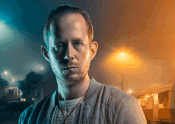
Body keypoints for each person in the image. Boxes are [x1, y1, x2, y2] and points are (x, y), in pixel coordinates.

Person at [19, 4, 147, 124]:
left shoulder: (122, 107)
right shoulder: (29, 117)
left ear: (92, 51)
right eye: (59, 45)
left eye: (77, 43)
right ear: (46, 54)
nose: (69, 55)